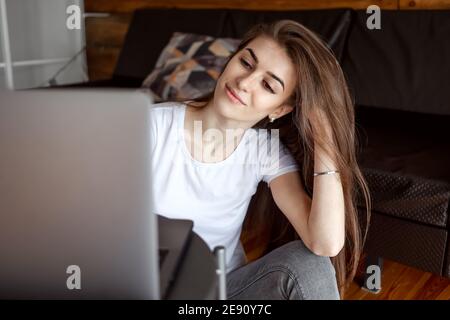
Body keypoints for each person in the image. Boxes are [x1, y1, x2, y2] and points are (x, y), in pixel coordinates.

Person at [149, 20, 371, 300]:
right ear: (231, 58)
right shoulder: (151, 127)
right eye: (245, 63)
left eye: (267, 84)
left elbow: (324, 243)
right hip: (148, 285)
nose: (245, 83)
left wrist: (324, 136)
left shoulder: (264, 153)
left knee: (310, 263)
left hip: (221, 294)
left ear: (280, 108)